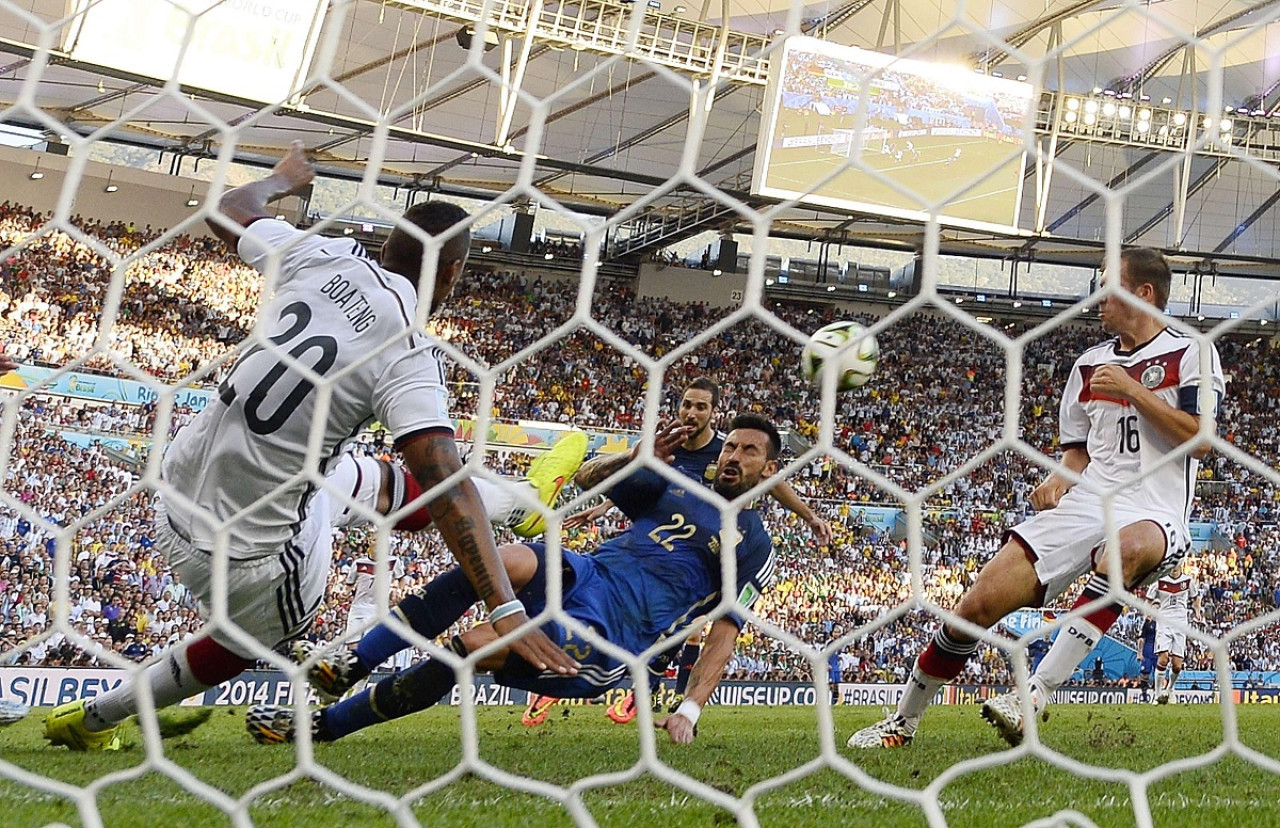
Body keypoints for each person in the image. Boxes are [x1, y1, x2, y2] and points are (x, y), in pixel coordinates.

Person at [42, 142, 577, 751]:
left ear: (384, 247)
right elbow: (446, 485)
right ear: (452, 276)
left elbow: (228, 210)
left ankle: (519, 500)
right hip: (249, 557)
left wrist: (280, 180)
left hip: (170, 492)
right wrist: (505, 609)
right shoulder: (406, 350)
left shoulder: (323, 256)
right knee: (260, 636)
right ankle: (95, 720)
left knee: (344, 473)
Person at [848, 247, 1224, 749]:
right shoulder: (1090, 365)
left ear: (1143, 293)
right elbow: (1077, 453)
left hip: (1155, 511)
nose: (1097, 298)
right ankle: (902, 721)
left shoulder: (1190, 351)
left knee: (1124, 553)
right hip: (1089, 502)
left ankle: (1034, 695)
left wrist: (1135, 390)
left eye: (1108, 285)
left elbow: (1201, 441)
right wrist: (1059, 478)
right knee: (976, 606)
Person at [244, 415, 782, 746]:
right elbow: (591, 477)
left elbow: (724, 634)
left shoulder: (753, 543)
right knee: (506, 558)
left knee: (473, 646)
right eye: (730, 446)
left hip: (613, 632)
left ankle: (323, 726)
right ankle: (354, 663)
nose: (733, 456)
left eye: (748, 450)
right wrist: (636, 458)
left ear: (770, 468)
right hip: (587, 571)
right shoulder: (681, 486)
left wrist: (689, 709)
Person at [527, 377, 831, 726]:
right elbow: (641, 482)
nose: (691, 412)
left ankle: (645, 689)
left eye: (701, 406)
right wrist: (605, 506)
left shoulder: (725, 450)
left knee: (689, 621)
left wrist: (809, 516)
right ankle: (563, 673)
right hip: (653, 536)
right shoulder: (668, 444)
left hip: (703, 551)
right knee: (599, 593)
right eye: (686, 404)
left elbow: (767, 477)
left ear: (713, 413)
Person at [1146, 562, 1203, 704]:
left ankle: (1170, 689)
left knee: (1177, 665)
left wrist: (1197, 611)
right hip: (1164, 622)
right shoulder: (1159, 580)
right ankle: (1157, 694)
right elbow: (1149, 599)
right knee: (1163, 659)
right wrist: (1148, 613)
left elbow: (1195, 597)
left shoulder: (1188, 581)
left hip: (1180, 624)